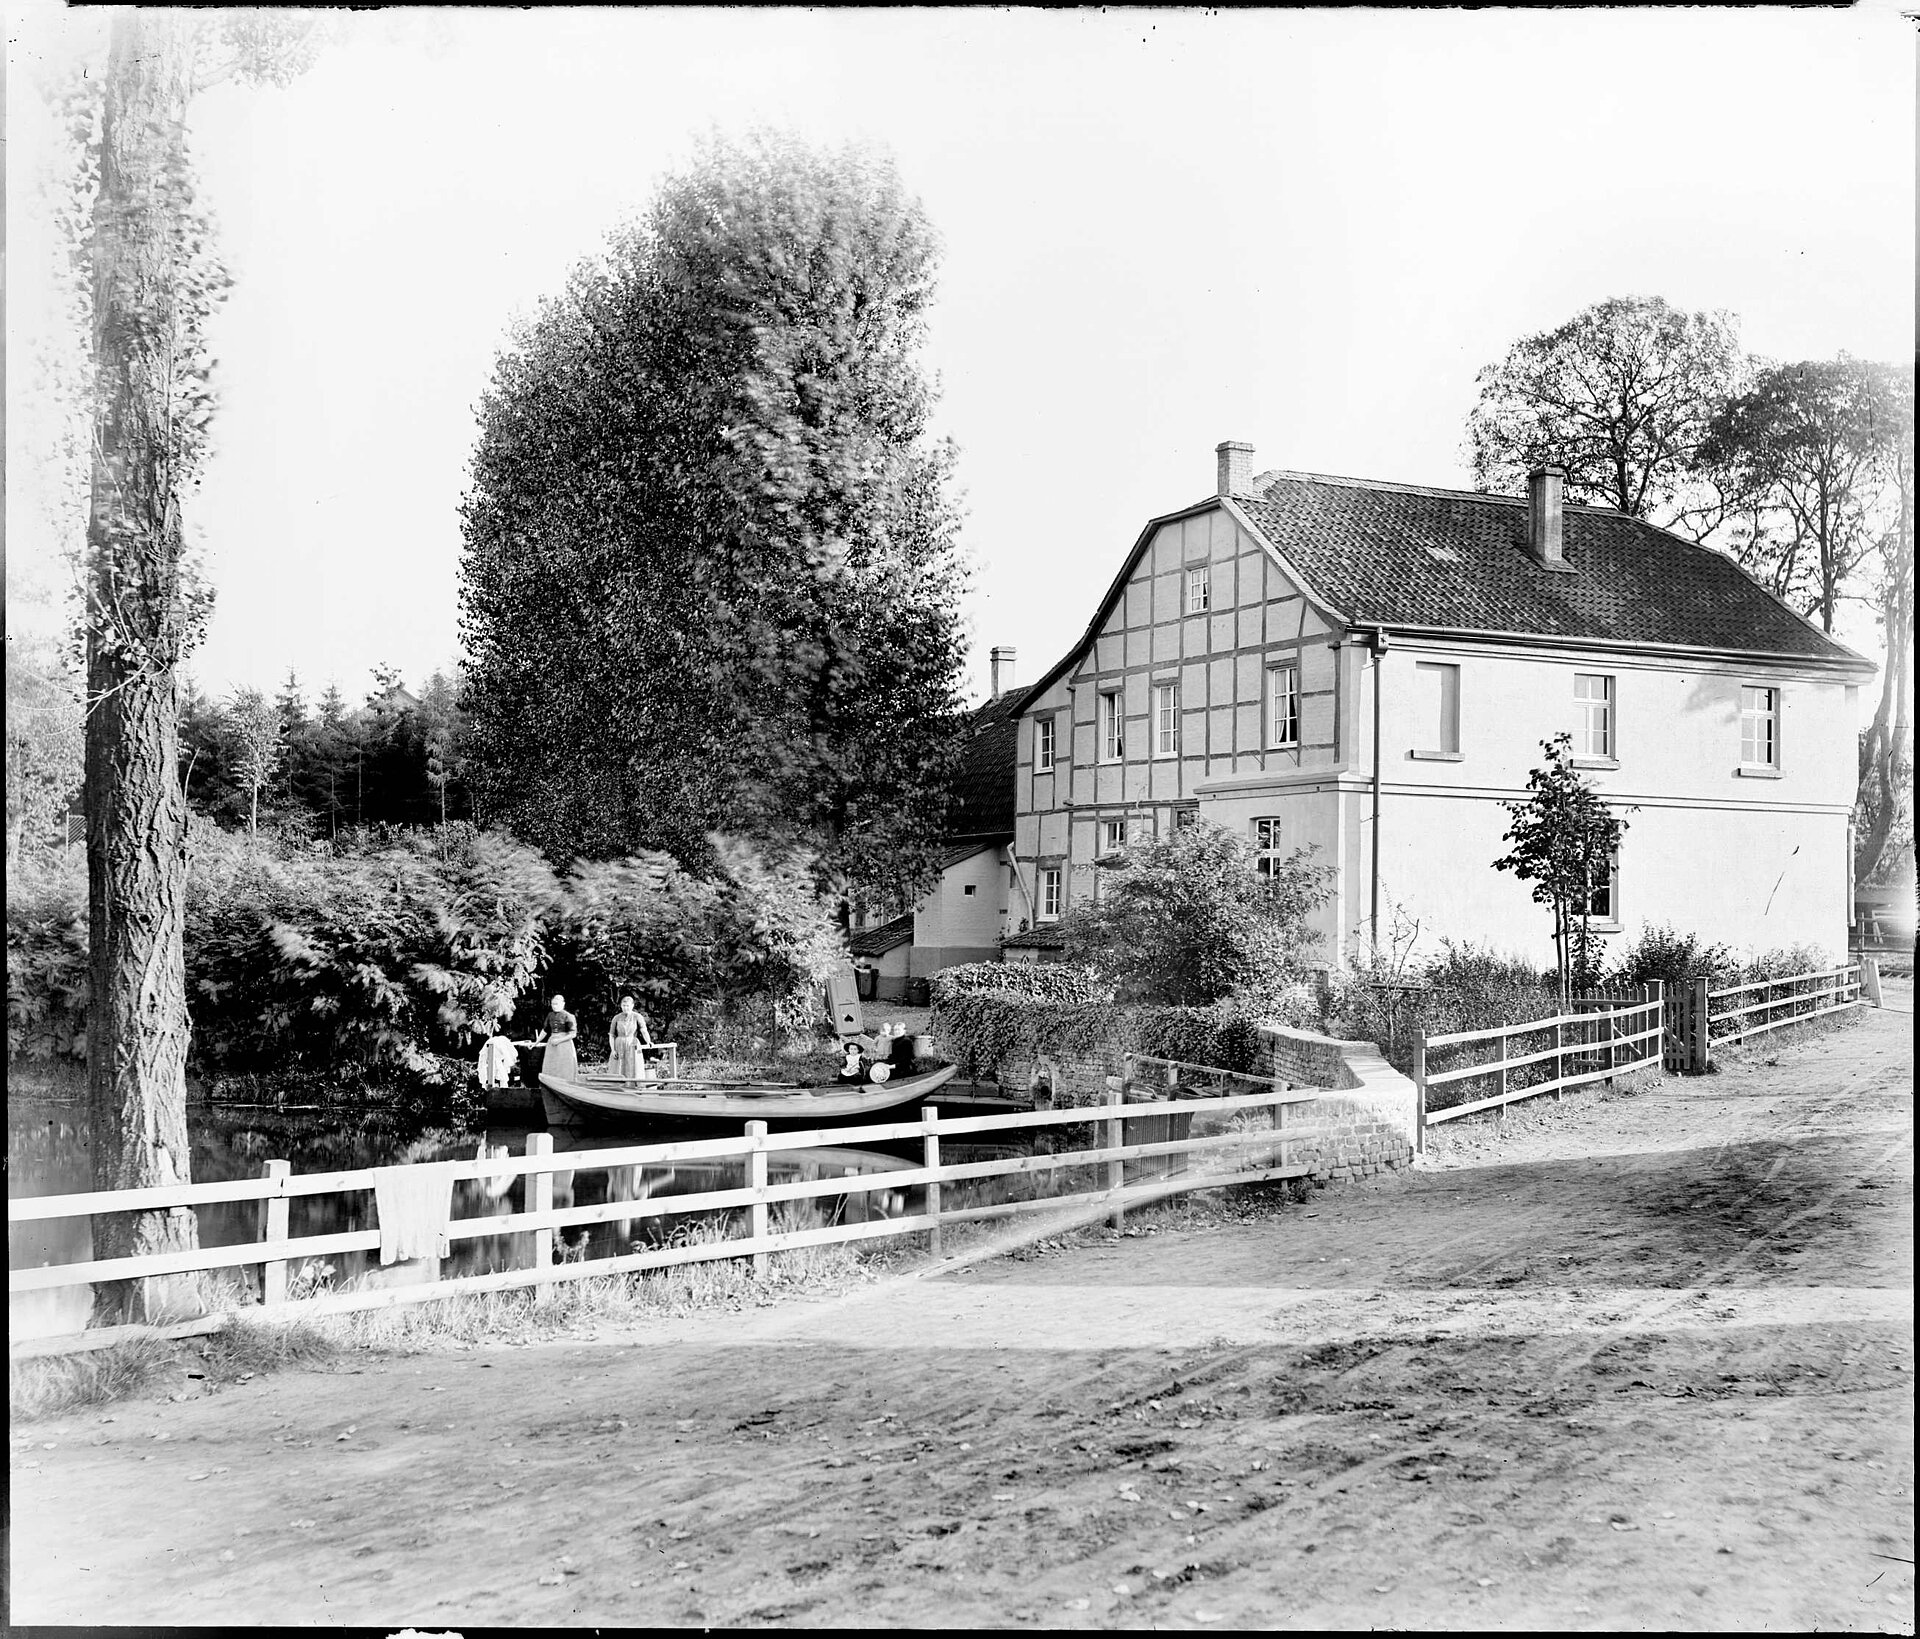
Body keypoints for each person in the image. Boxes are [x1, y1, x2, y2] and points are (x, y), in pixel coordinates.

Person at [608, 995, 655, 1080]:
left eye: (627, 1006)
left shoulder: (637, 1017)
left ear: (632, 1006)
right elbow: (611, 1035)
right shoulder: (616, 1018)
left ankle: (634, 1084)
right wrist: (613, 1050)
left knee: (633, 1065)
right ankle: (617, 1086)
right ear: (621, 1006)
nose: (625, 1008)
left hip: (632, 1043)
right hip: (619, 1044)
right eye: (623, 1006)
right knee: (618, 1066)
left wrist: (648, 1041)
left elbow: (643, 1031)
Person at [538, 993, 579, 1084]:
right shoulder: (550, 1015)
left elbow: (573, 1034)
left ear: (563, 1004)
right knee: (551, 1066)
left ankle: (566, 1085)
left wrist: (559, 1040)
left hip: (564, 1044)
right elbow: (545, 1030)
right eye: (553, 1004)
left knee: (564, 1067)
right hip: (552, 1044)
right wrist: (535, 1043)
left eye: (557, 1004)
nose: (554, 1006)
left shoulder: (568, 1016)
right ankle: (551, 1085)